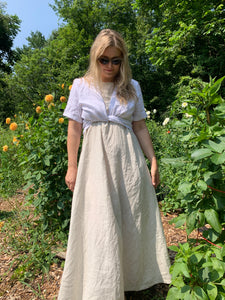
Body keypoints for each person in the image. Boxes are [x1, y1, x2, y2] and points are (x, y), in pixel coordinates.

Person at [58, 29, 171, 300]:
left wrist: (153, 159)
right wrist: (71, 166)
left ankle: (132, 277)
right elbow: (74, 129)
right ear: (95, 58)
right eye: (104, 60)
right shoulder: (81, 85)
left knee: (130, 217)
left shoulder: (133, 88)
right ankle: (100, 286)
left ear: (123, 61)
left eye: (116, 60)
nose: (110, 66)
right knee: (99, 220)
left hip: (128, 160)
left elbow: (140, 127)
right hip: (94, 163)